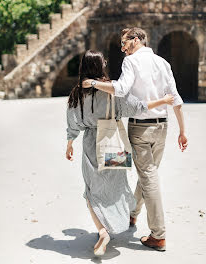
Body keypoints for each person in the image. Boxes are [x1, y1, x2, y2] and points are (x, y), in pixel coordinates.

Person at [82, 28, 188, 252]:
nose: (122, 48)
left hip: (140, 128)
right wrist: (182, 130)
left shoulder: (131, 62)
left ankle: (158, 235)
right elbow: (175, 98)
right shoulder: (163, 63)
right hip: (163, 127)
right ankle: (132, 215)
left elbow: (120, 90)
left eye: (124, 43)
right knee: (147, 174)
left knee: (148, 178)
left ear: (137, 39)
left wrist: (92, 83)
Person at [66, 50, 174, 256]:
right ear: (101, 66)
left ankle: (103, 231)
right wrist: (162, 101)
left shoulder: (77, 93)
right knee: (116, 187)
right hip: (113, 143)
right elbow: (138, 107)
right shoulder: (113, 91)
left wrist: (69, 143)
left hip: (91, 147)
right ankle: (119, 222)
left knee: (92, 192)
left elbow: (73, 122)